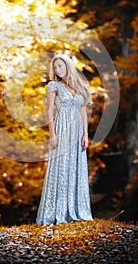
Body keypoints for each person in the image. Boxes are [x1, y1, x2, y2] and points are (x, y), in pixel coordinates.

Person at [36, 53, 93, 225]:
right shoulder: (54, 86)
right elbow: (49, 112)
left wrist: (86, 133)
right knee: (60, 167)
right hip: (62, 129)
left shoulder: (81, 86)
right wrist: (52, 134)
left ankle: (76, 210)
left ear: (68, 65)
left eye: (60, 66)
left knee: (76, 166)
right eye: (55, 67)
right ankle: (57, 212)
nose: (57, 70)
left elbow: (83, 111)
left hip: (77, 132)